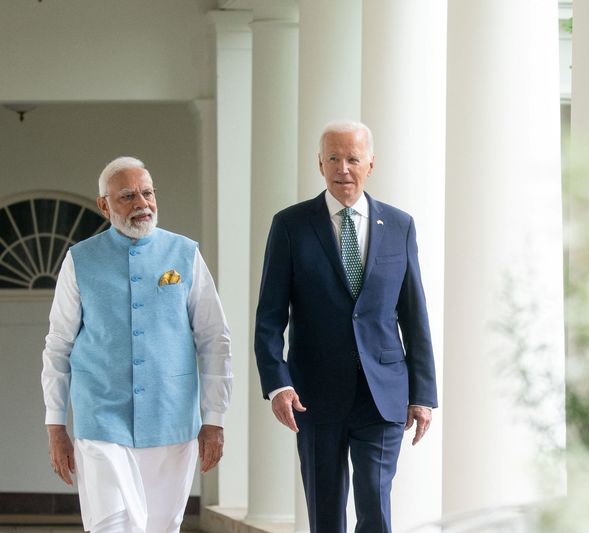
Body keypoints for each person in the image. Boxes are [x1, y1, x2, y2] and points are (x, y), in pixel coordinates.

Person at [254, 120, 438, 532]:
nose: (343, 168)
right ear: (319, 164)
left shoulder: (400, 225)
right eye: (333, 158)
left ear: (370, 163)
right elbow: (269, 318)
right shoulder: (291, 226)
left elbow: (414, 314)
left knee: (376, 507)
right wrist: (278, 384)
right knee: (326, 512)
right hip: (314, 397)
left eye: (353, 158)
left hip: (383, 393)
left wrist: (423, 394)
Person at [41, 156, 233, 533]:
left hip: (172, 415)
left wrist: (214, 419)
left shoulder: (184, 254)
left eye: (147, 193)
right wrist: (54, 425)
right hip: (100, 419)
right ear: (104, 204)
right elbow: (58, 344)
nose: (141, 204)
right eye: (127, 196)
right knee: (111, 525)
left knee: (161, 527)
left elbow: (214, 338)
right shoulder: (79, 260)